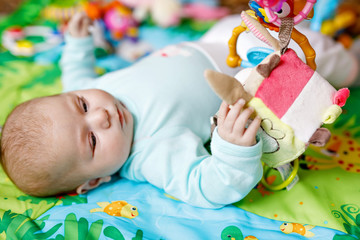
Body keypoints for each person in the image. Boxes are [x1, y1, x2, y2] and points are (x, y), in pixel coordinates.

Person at [0, 12, 263, 209]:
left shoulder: (85, 91)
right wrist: (232, 149)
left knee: (241, 21)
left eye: (82, 105)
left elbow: (75, 75)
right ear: (94, 181)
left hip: (210, 42)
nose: (100, 116)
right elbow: (206, 187)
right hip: (246, 74)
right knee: (290, 45)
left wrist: (77, 43)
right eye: (92, 140)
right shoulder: (149, 154)